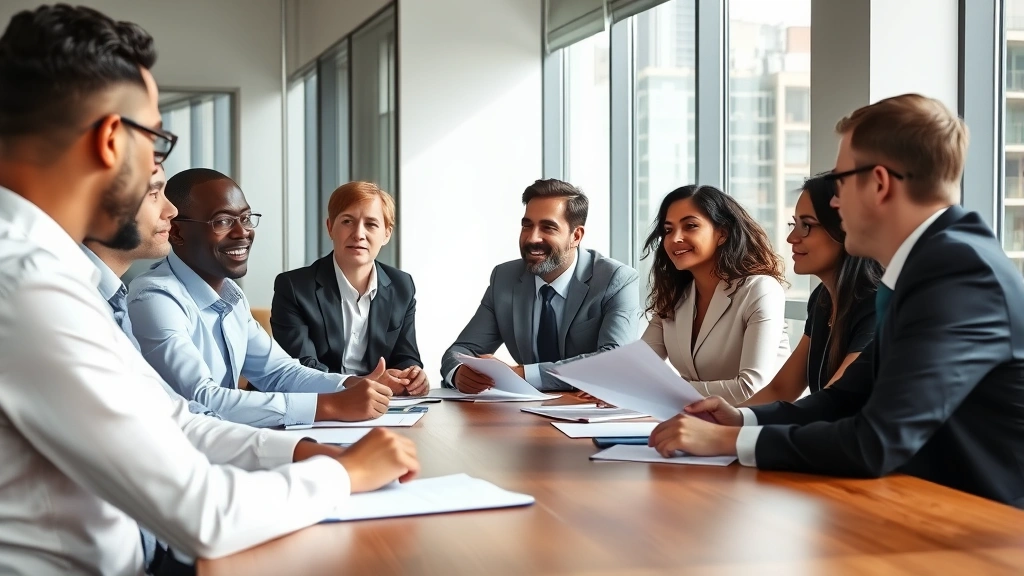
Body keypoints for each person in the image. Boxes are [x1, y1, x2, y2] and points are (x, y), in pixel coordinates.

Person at [0, 5, 418, 575]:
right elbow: (202, 513)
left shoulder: (52, 272)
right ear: (109, 140)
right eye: (157, 143)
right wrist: (343, 474)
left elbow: (171, 416)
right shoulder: (26, 283)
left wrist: (301, 449)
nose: (166, 205)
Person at [649, 94, 1024, 510]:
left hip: (978, 527)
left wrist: (731, 441)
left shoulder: (957, 273)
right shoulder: (929, 264)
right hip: (921, 507)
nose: (834, 201)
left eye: (842, 181)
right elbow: (845, 397)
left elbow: (876, 440)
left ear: (879, 183)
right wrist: (741, 419)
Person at [128, 168, 398, 427]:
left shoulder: (231, 297)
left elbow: (279, 372)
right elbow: (201, 399)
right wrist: (331, 406)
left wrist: (349, 385)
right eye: (222, 221)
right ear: (177, 232)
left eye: (245, 219)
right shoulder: (155, 297)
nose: (242, 232)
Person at [440, 179, 640, 393]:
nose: (532, 238)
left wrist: (522, 374)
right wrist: (460, 372)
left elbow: (616, 363)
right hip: (526, 412)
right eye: (527, 225)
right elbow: (462, 349)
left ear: (576, 236)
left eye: (548, 227)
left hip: (589, 409)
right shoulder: (504, 278)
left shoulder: (616, 279)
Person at [272, 181, 428, 396]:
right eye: (347, 221)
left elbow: (406, 356)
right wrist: (363, 383)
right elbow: (300, 368)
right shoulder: (294, 287)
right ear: (330, 227)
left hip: (382, 404)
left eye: (371, 224)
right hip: (320, 402)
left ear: (386, 234)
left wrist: (412, 376)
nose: (358, 234)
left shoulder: (402, 286)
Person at [639, 185, 790, 403]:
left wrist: (665, 390)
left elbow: (750, 387)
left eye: (690, 226)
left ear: (723, 233)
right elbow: (640, 368)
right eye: (668, 230)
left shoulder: (759, 289)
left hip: (756, 425)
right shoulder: (675, 295)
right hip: (694, 420)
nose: (674, 239)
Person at [739, 176, 882, 405]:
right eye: (794, 224)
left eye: (806, 225)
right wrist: (716, 424)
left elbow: (833, 404)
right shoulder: (823, 298)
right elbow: (781, 389)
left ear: (847, 230)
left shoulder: (877, 305)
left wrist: (722, 431)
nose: (791, 237)